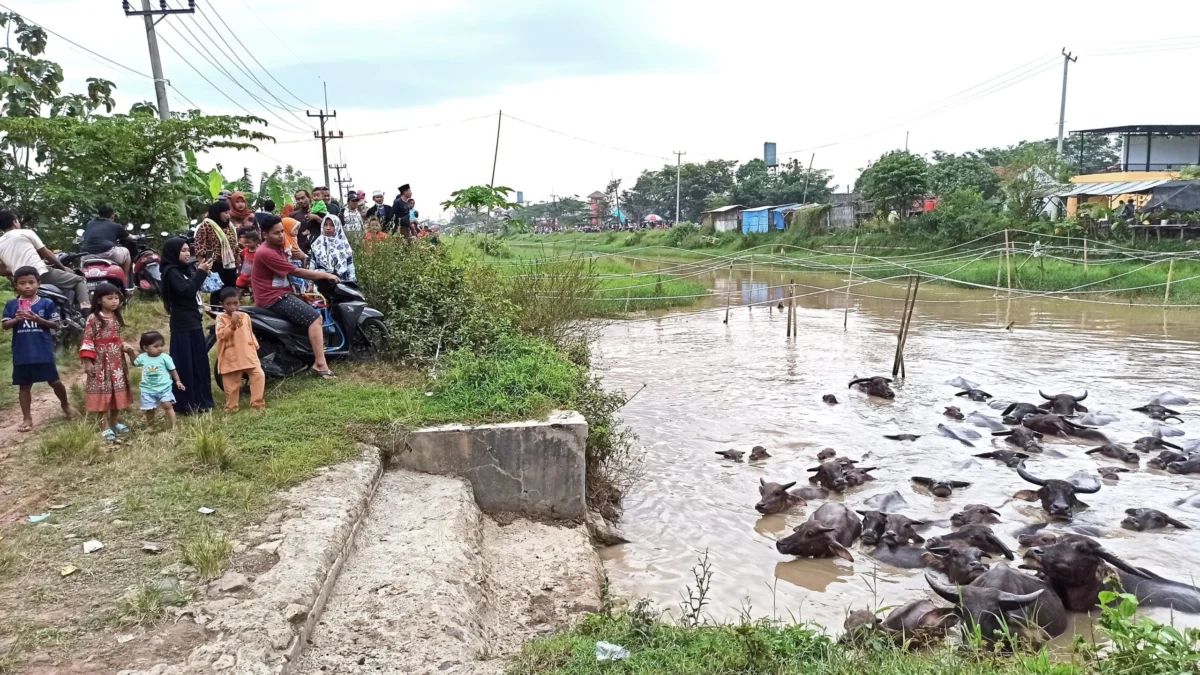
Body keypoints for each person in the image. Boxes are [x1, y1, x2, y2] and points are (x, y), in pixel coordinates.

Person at [251, 218, 340, 379]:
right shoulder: (267, 252)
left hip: (281, 293)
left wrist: (303, 258)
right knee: (315, 318)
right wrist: (326, 275)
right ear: (264, 235)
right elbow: (297, 272)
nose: (281, 236)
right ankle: (320, 363)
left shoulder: (277, 248)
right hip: (274, 298)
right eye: (276, 233)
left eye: (282, 232)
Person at [3, 266, 74, 432]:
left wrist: (38, 318)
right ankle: (27, 417)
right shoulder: (12, 305)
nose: (27, 286)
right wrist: (16, 319)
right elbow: (5, 325)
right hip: (22, 352)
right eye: (22, 283)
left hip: (43, 350)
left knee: (55, 382)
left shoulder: (46, 303)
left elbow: (55, 324)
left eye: (31, 282)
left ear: (38, 284)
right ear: (16, 286)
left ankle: (65, 405)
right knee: (24, 386)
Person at [160, 237, 216, 414]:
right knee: (186, 363)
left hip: (193, 319)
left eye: (187, 250)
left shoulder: (183, 269)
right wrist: (200, 273)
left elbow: (194, 289)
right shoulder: (171, 272)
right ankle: (187, 403)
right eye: (182, 251)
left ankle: (201, 400)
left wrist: (202, 273)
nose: (186, 254)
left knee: (198, 360)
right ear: (173, 253)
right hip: (183, 323)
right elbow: (186, 291)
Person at [0, 210, 90, 310]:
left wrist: (15, 271)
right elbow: (47, 254)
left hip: (20, 281)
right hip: (41, 274)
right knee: (79, 280)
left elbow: (2, 271)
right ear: (15, 222)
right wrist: (63, 268)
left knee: (23, 306)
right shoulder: (25, 233)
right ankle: (86, 312)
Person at [79, 282, 133, 441]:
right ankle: (104, 426)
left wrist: (124, 346)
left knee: (117, 390)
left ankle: (114, 422)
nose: (115, 301)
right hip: (99, 360)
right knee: (103, 391)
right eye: (110, 298)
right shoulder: (93, 318)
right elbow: (88, 340)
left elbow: (116, 336)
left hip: (117, 360)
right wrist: (88, 362)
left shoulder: (116, 316)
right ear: (98, 300)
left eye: (117, 298)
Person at [214, 287, 265, 411]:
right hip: (232, 356)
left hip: (248, 353)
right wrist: (232, 324)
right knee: (231, 384)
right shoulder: (220, 318)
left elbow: (249, 332)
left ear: (240, 302)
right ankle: (231, 408)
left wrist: (254, 345)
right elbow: (222, 335)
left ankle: (257, 404)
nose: (232, 307)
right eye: (228, 304)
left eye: (235, 303)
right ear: (222, 305)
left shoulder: (245, 316)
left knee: (259, 375)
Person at [134, 331, 183, 429]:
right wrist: (131, 352)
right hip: (148, 389)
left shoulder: (165, 358)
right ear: (145, 348)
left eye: (161, 345)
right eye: (156, 346)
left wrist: (178, 381)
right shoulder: (142, 357)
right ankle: (150, 426)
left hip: (164, 387)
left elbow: (172, 370)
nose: (160, 349)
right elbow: (135, 363)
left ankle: (174, 426)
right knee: (149, 409)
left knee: (168, 405)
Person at [80, 205, 136, 283]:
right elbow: (130, 238)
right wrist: (135, 237)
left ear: (99, 215)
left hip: (86, 255)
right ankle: (124, 280)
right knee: (126, 252)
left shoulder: (90, 224)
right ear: (112, 216)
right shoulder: (116, 226)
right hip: (107, 253)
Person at [194, 201, 240, 290]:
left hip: (230, 263)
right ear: (217, 213)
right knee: (217, 290)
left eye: (229, 213)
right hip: (215, 263)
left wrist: (237, 256)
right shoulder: (206, 225)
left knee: (231, 289)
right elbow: (199, 246)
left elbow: (235, 243)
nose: (228, 216)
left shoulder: (229, 226)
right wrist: (203, 265)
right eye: (225, 213)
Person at [310, 214, 356, 282]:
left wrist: (352, 280)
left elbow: (349, 264)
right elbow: (312, 263)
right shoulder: (317, 244)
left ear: (337, 226)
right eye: (325, 225)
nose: (328, 228)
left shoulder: (343, 244)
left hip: (341, 281)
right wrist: (310, 282)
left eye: (332, 225)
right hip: (321, 281)